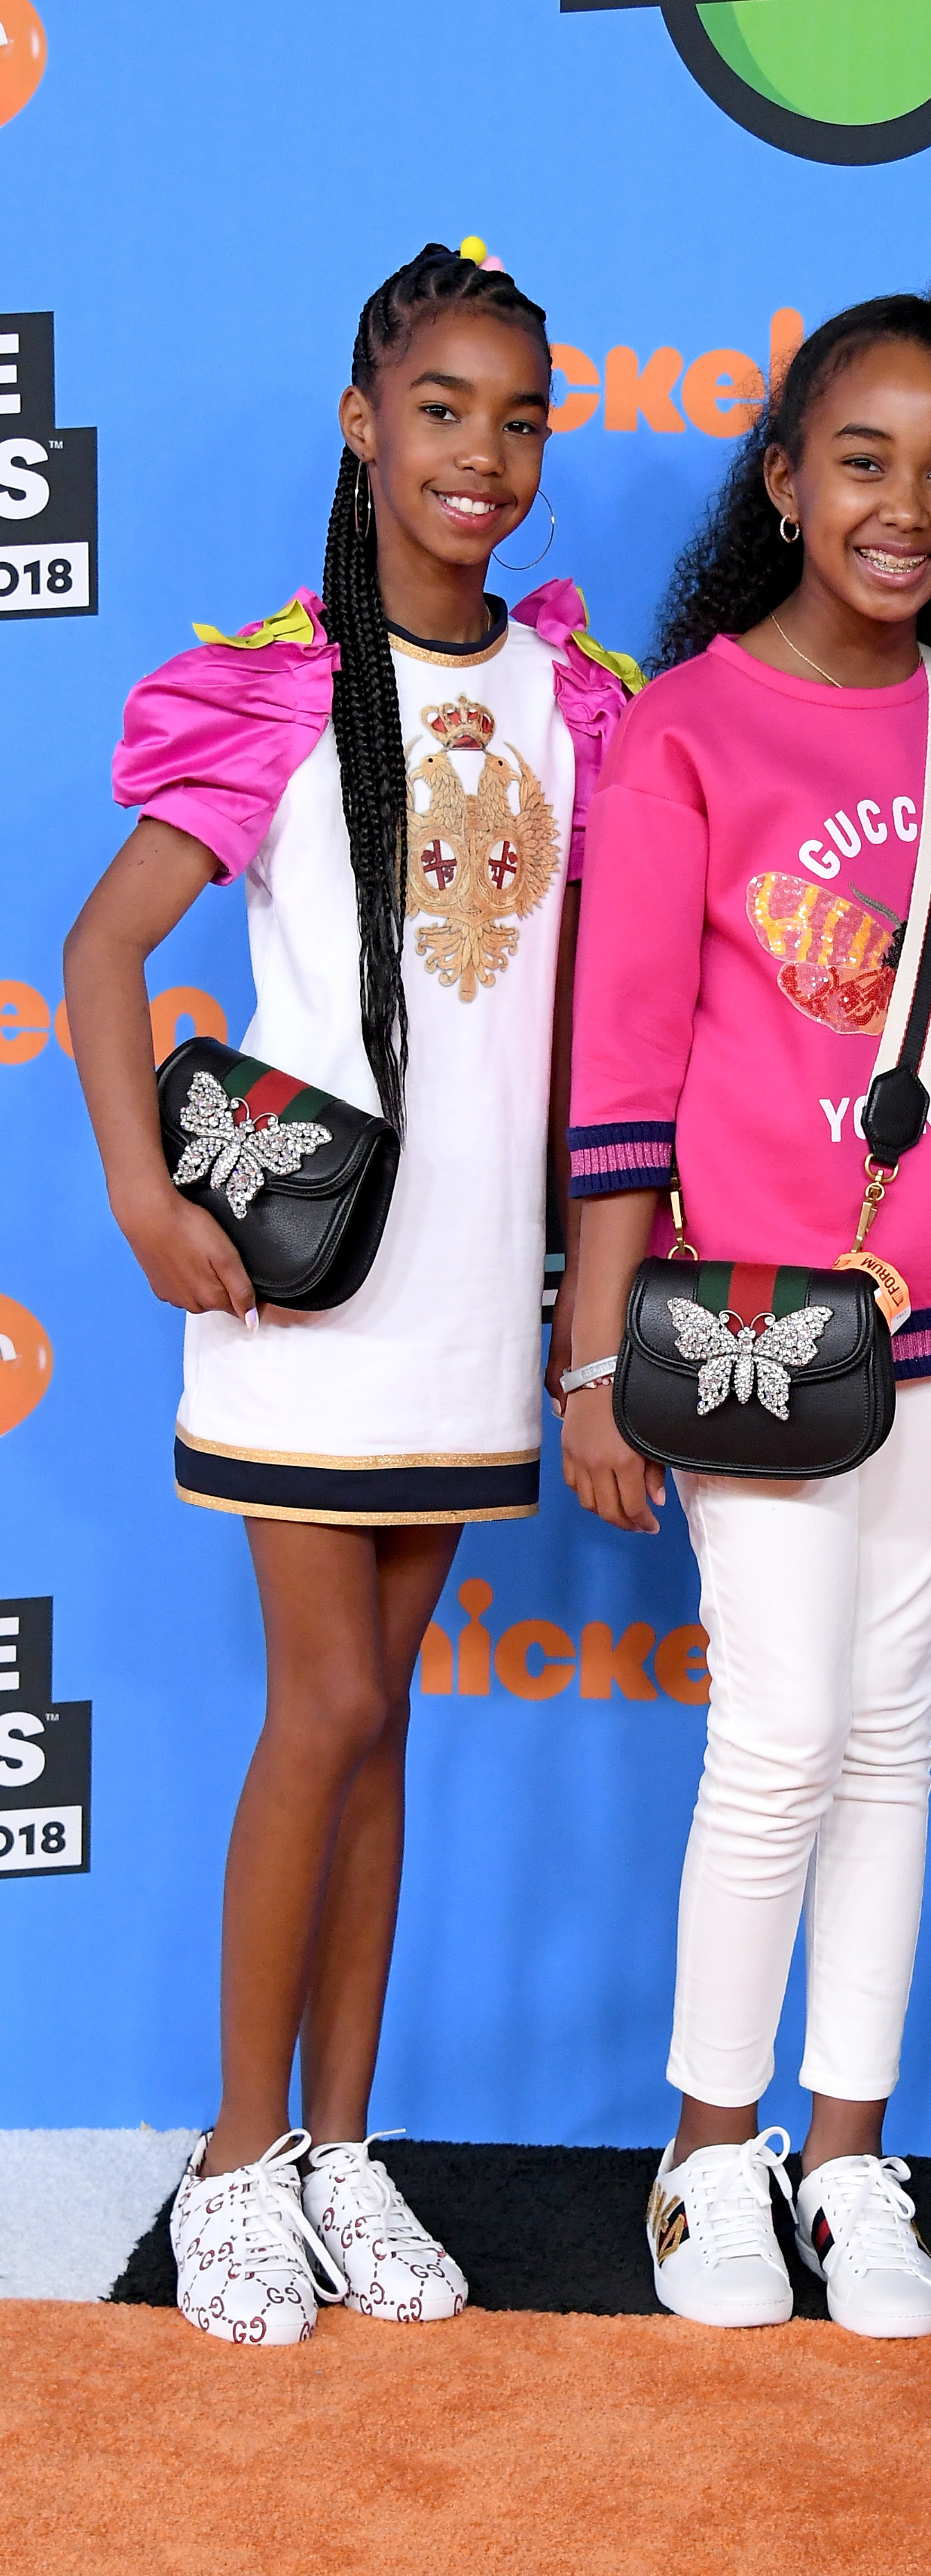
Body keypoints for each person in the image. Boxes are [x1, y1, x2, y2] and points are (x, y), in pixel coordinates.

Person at [63, 243, 634, 2346]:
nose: (481, 454)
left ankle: (342, 2144)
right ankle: (233, 2160)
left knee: (381, 1718)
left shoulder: (575, 700)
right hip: (308, 1296)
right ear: (360, 422)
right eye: (441, 408)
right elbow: (107, 947)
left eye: (518, 415)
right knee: (324, 1705)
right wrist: (140, 1188)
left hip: (478, 1300)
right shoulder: (277, 689)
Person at [561, 273, 931, 2339]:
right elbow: (619, 1065)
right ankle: (707, 2156)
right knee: (778, 1726)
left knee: (889, 1727)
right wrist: (598, 1349)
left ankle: (848, 2149)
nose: (903, 506)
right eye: (861, 461)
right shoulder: (689, 725)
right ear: (784, 480)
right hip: (748, 1318)